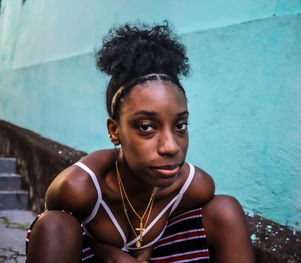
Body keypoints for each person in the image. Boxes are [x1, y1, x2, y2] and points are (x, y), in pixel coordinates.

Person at [26, 21, 254, 263]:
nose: (171, 147)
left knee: (227, 209)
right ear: (114, 131)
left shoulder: (194, 187)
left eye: (180, 126)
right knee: (53, 224)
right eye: (146, 127)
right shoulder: (79, 187)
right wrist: (111, 253)